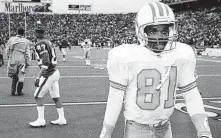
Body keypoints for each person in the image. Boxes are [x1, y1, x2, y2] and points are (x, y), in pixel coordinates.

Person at [99, 2, 212, 138]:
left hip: (165, 127)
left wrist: (204, 131)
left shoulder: (181, 55)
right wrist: (106, 133)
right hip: (137, 129)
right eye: (153, 31)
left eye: (164, 31)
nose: (160, 36)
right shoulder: (127, 57)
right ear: (141, 31)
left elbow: (192, 95)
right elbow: (114, 99)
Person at [29, 27, 67, 127]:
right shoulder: (48, 42)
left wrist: (38, 77)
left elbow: (46, 61)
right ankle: (62, 119)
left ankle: (41, 120)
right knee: (55, 97)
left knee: (37, 95)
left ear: (35, 34)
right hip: (55, 71)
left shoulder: (40, 44)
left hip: (49, 73)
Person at [5, 28, 31, 96]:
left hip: (13, 57)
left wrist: (9, 57)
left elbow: (7, 49)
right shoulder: (26, 41)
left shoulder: (11, 39)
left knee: (14, 74)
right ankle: (19, 91)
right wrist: (28, 62)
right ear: (23, 33)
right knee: (22, 74)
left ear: (17, 32)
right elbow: (27, 53)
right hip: (21, 58)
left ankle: (13, 90)